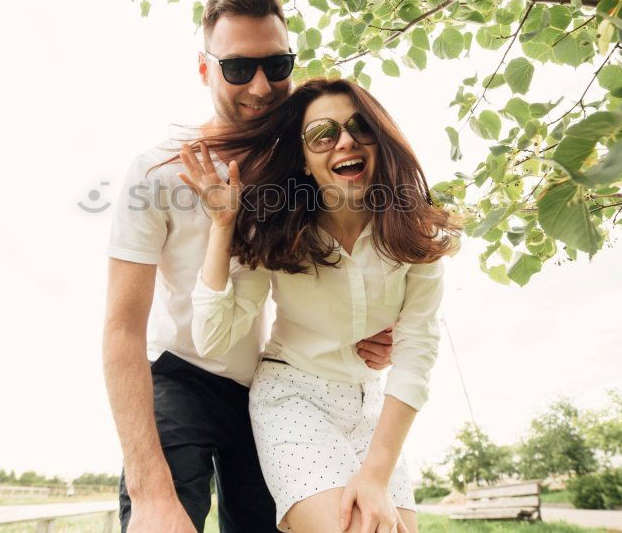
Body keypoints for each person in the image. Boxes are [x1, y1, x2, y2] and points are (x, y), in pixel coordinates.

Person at [103, 0, 396, 533]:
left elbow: (363, 256)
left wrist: (384, 327)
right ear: (203, 68)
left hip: (274, 385)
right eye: (237, 68)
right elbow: (121, 328)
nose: (261, 86)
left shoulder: (311, 163)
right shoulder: (158, 172)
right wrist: (149, 492)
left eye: (276, 64)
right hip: (180, 378)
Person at [177, 77, 462, 533]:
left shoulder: (416, 235)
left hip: (373, 410)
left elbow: (417, 353)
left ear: (378, 139)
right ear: (306, 161)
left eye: (358, 126)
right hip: (293, 397)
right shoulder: (277, 230)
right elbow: (212, 336)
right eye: (322, 135)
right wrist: (222, 226)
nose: (344, 140)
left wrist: (375, 475)